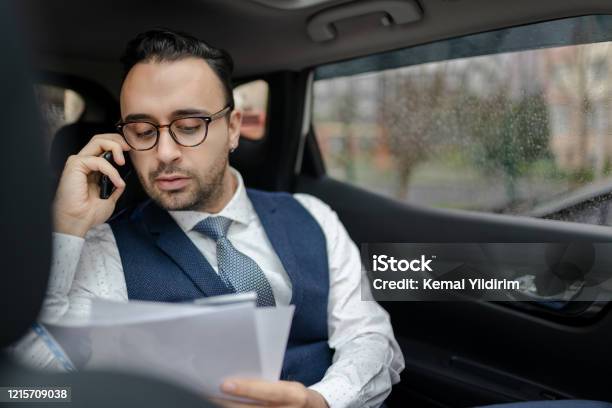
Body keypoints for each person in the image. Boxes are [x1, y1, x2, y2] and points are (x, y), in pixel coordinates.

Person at [12, 29, 404, 408]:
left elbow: (370, 337)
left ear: (233, 129)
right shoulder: (105, 248)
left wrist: (321, 401)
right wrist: (66, 227)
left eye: (188, 126)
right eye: (143, 130)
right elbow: (33, 383)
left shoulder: (312, 215)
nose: (165, 152)